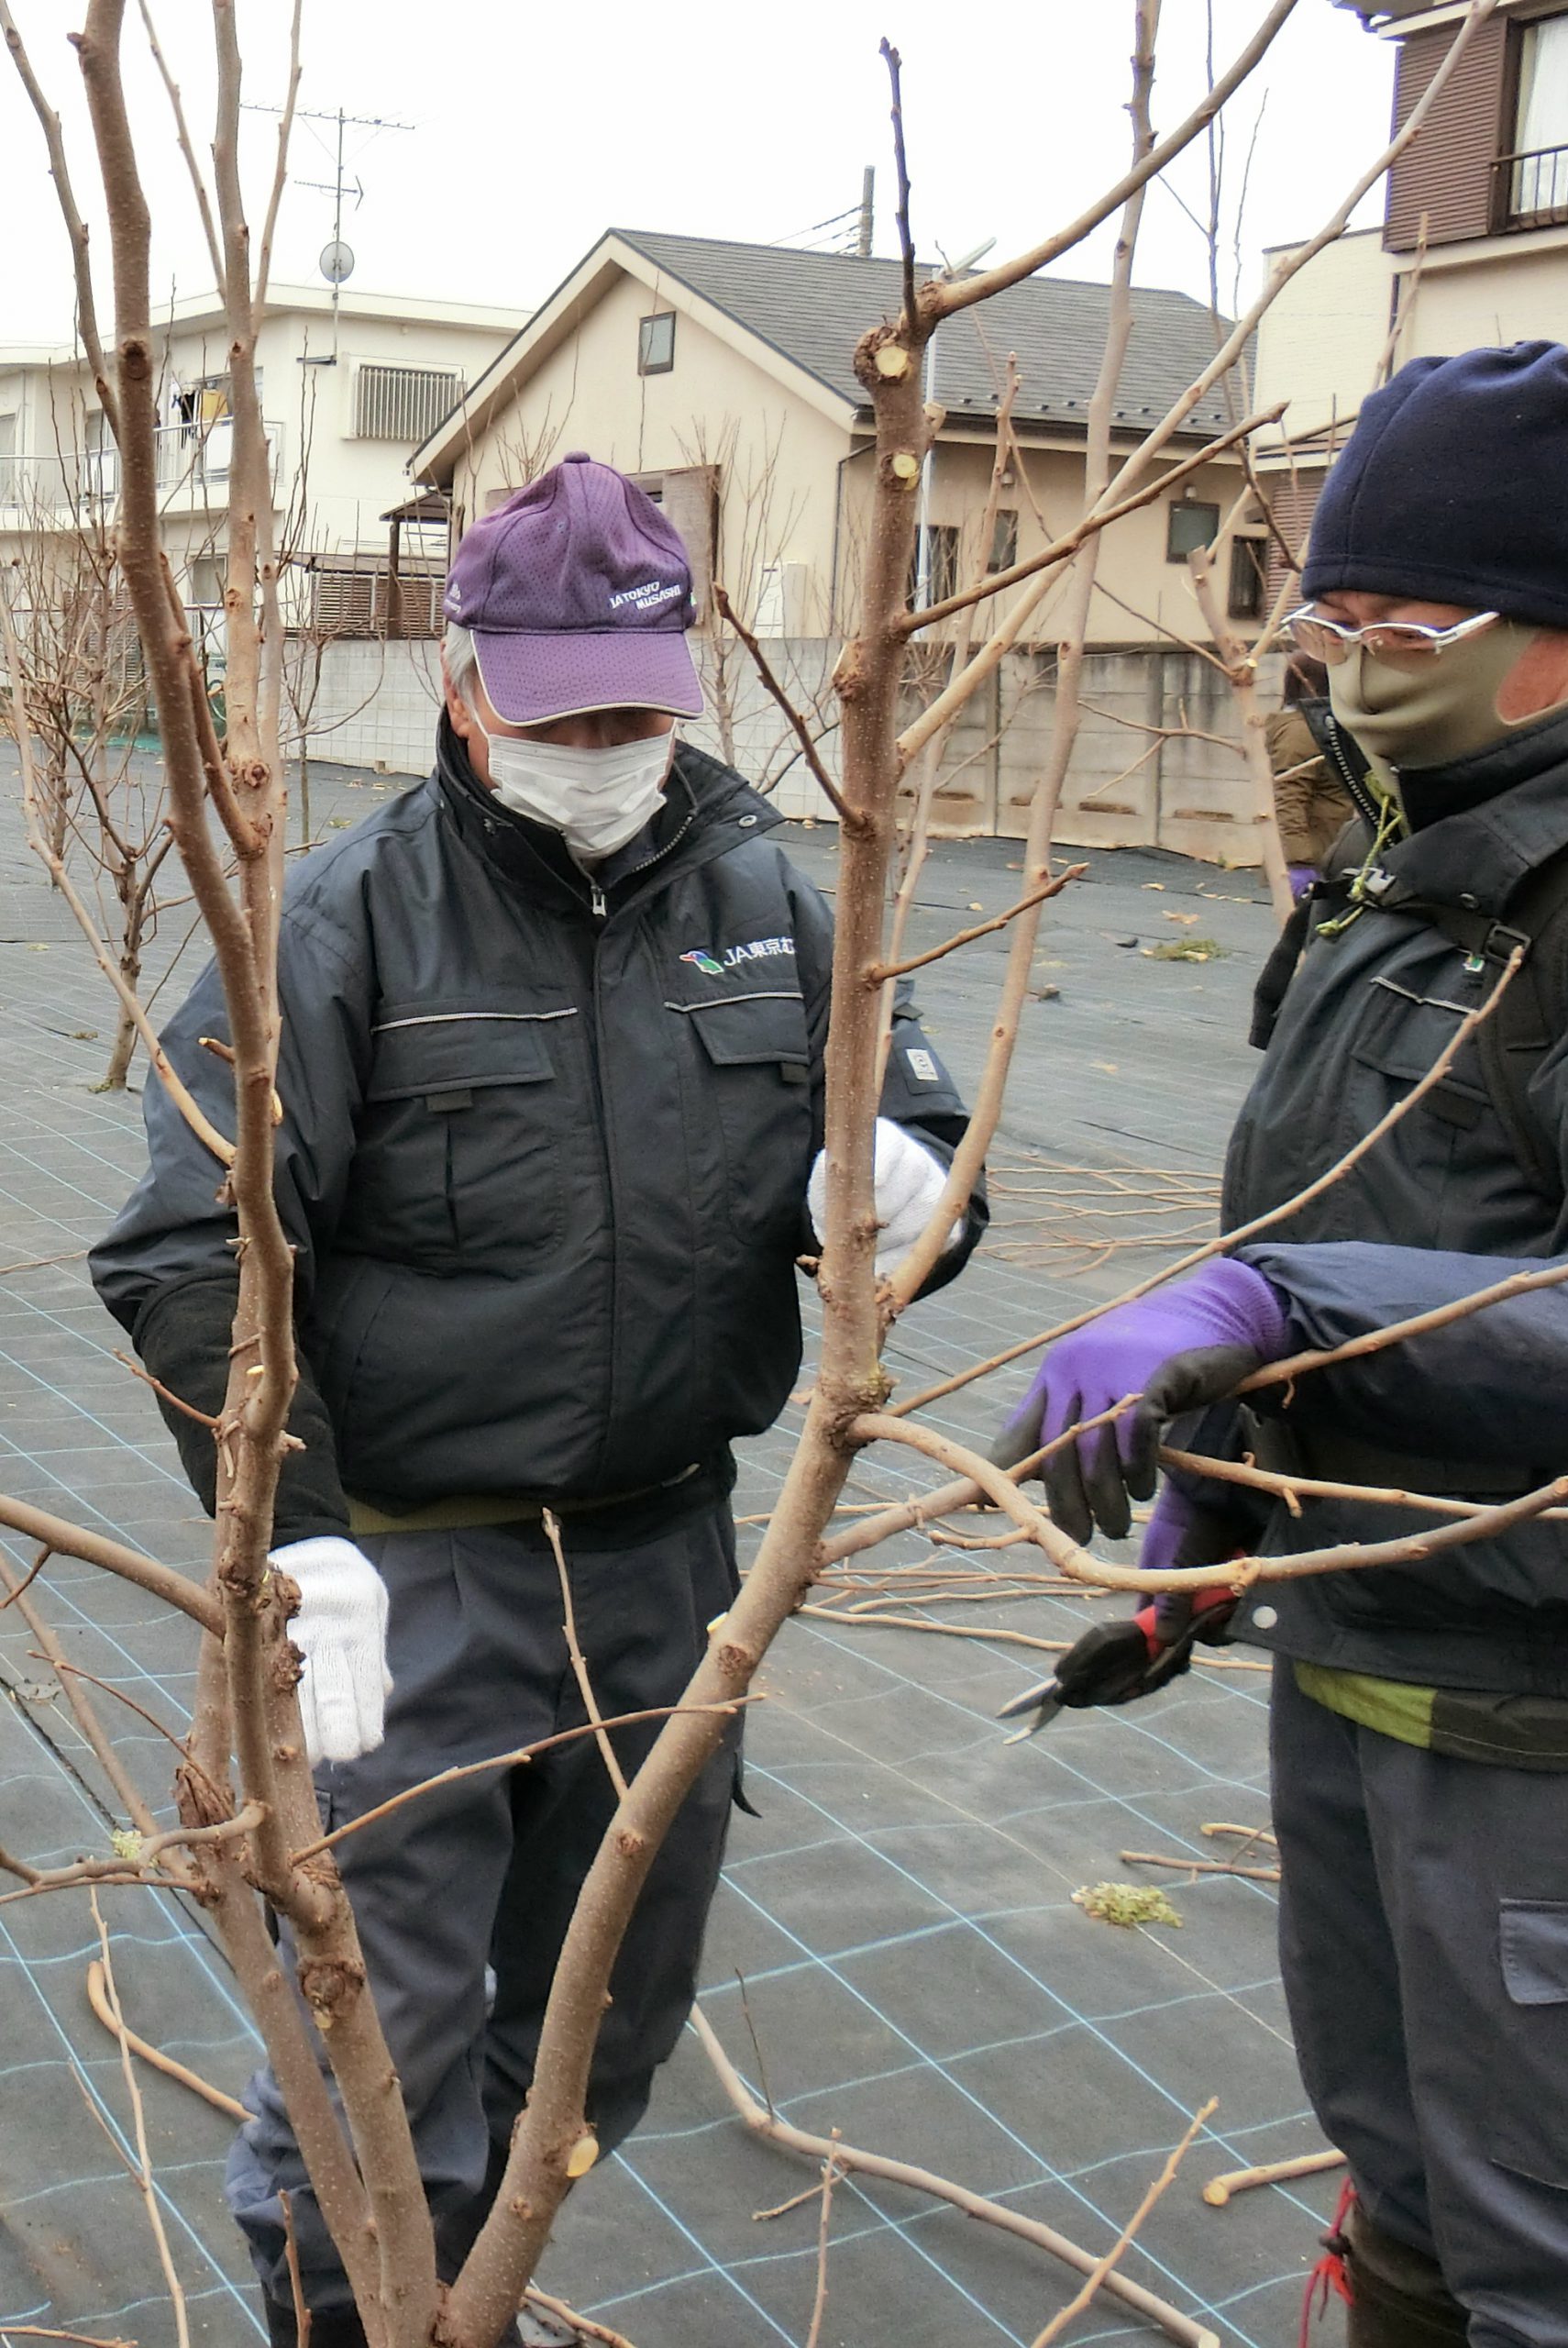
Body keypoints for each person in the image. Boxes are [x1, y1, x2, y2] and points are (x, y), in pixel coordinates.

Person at [992, 345, 1568, 2347]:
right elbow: (1400, 1214)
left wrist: (1268, 1313)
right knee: (1412, 2194)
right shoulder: (1440, 858)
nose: (1343, 663)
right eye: (1324, 617)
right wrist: (1232, 1481)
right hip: (1375, 1639)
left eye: (1399, 624)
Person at [91, 453, 984, 2347]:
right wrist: (301, 1529)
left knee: (596, 2026)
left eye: (637, 709)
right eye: (562, 705)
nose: (602, 741)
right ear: (462, 680)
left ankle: (465, 2296)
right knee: (379, 2053)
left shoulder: (774, 906)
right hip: (415, 1581)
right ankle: (354, 2311)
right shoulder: (341, 926)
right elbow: (184, 1256)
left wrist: (921, 1187)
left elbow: (912, 1133)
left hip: (668, 1562)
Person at [1266, 648, 1361, 895]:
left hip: (1331, 851)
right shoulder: (1300, 732)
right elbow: (1288, 797)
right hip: (1313, 860)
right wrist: (1299, 861)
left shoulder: (1322, 725)